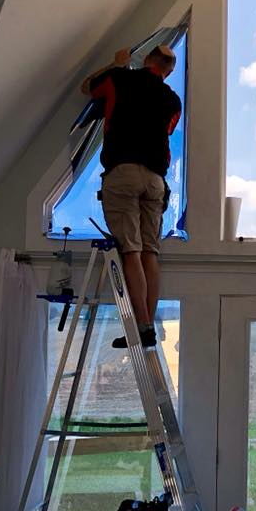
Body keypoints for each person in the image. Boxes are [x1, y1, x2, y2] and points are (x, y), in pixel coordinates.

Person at [81, 44, 182, 348]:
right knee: (150, 252)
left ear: (146, 59)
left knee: (132, 252)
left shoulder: (120, 78)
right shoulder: (172, 100)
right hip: (154, 181)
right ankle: (147, 325)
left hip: (122, 173)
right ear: (170, 71)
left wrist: (117, 64)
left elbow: (87, 88)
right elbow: (167, 129)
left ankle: (141, 327)